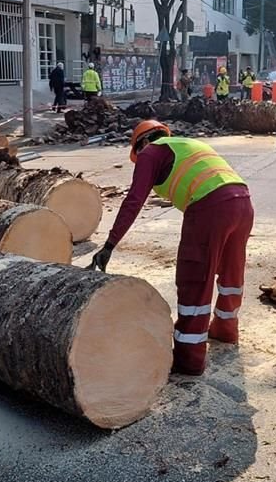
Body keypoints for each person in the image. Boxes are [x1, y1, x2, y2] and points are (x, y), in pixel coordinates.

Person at [90, 121, 253, 375]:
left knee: (195, 278)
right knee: (232, 272)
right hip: (243, 201)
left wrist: (110, 244)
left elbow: (134, 200)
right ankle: (226, 328)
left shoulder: (150, 153)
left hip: (209, 207)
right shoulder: (186, 144)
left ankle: (189, 358)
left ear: (142, 143)